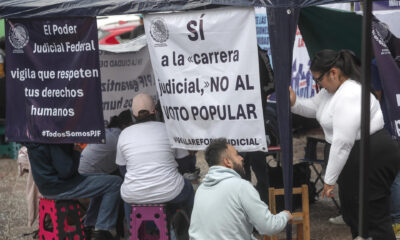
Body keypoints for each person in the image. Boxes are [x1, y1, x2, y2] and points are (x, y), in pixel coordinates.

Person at [290, 49, 400, 239]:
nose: (319, 85)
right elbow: (313, 108)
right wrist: (293, 101)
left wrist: (329, 179)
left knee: (372, 215)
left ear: (333, 72)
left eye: (319, 79)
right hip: (356, 155)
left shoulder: (350, 93)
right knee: (353, 212)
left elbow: (343, 142)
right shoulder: (330, 92)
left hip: (370, 153)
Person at [189, 138, 292, 240]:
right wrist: (285, 215)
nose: (241, 158)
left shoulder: (201, 188)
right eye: (237, 155)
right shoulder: (241, 187)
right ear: (227, 162)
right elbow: (269, 227)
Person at [116, 93, 194, 216]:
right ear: (155, 111)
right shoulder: (169, 129)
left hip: (134, 193)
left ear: (134, 115)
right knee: (188, 188)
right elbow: (185, 164)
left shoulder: (124, 134)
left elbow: (122, 170)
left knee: (129, 197)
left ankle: (133, 231)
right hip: (171, 191)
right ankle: (192, 228)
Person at [26, 143, 122, 240]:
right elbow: (66, 171)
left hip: (47, 187)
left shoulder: (35, 141)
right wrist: (76, 152)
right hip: (61, 187)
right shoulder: (54, 142)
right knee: (115, 182)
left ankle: (91, 225)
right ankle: (102, 230)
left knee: (102, 182)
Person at [78, 109, 133, 175]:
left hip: (82, 170)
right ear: (125, 126)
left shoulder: (112, 132)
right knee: (119, 180)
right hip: (86, 175)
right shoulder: (119, 137)